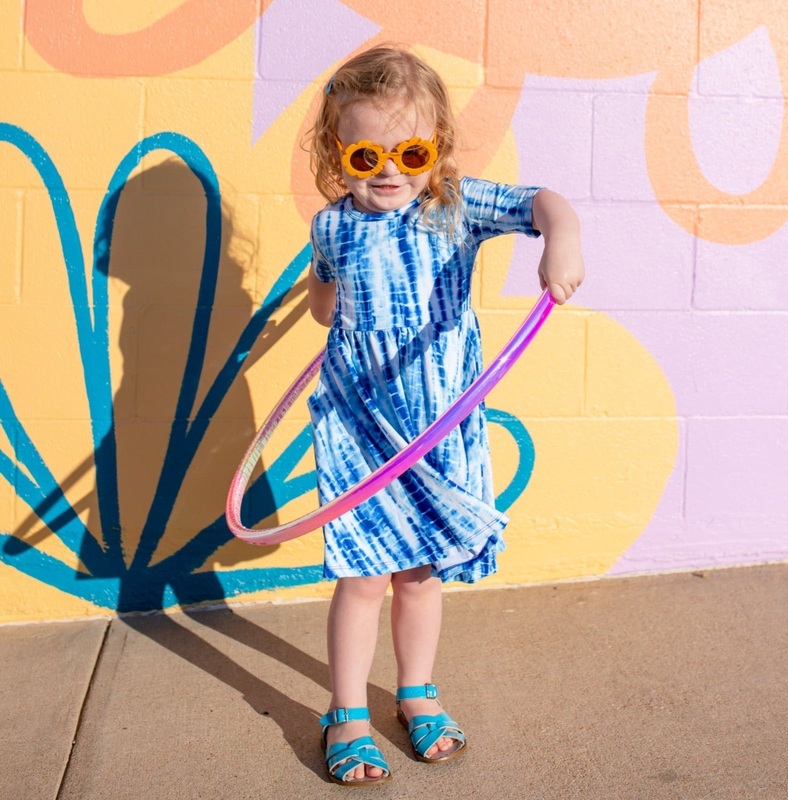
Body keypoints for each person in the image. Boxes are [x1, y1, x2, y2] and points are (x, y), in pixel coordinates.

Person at [305, 45, 584, 785]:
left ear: (440, 150)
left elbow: (542, 203)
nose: (390, 169)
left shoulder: (454, 210)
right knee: (364, 576)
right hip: (361, 424)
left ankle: (415, 690)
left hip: (437, 427)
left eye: (412, 151)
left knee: (420, 573)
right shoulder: (332, 227)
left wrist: (564, 242)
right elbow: (323, 302)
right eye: (366, 155)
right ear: (340, 154)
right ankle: (346, 711)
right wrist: (330, 307)